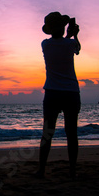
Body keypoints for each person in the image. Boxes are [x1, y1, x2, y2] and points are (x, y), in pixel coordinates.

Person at [35, 11, 81, 179]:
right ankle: (72, 170)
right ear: (62, 28)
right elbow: (77, 49)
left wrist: (69, 36)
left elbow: (63, 43)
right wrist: (73, 35)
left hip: (52, 92)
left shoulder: (45, 44)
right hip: (71, 92)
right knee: (71, 133)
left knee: (47, 132)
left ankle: (41, 170)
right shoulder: (70, 44)